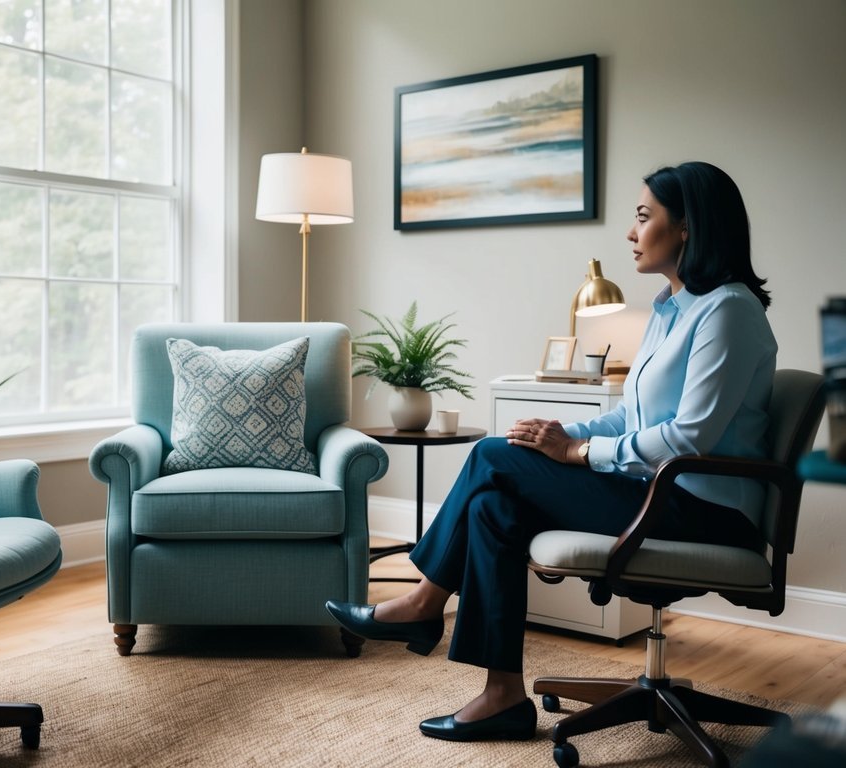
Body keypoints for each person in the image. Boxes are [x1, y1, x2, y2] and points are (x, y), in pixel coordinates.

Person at [327, 161, 777, 742]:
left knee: (490, 456)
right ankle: (503, 696)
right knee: (495, 505)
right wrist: (555, 432)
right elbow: (630, 417)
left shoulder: (729, 311)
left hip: (705, 512)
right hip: (659, 494)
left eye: (644, 217)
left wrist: (577, 455)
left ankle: (421, 604)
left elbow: (689, 439)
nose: (630, 232)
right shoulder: (671, 311)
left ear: (687, 227)